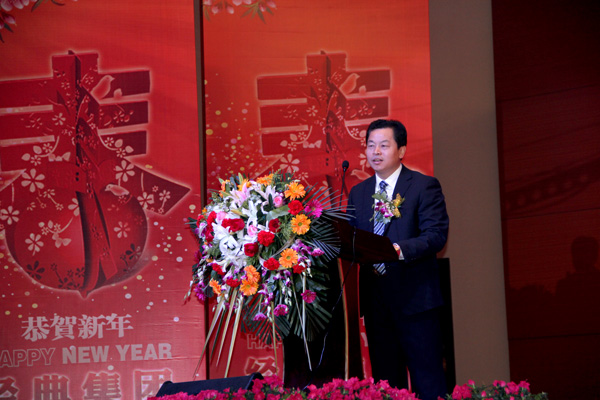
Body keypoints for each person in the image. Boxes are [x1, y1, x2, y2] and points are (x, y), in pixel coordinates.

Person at [347, 119, 449, 400]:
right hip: (377, 303)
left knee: (428, 383)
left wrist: (397, 250)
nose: (376, 152)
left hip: (416, 303)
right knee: (387, 387)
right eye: (370, 145)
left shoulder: (423, 186)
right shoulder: (359, 192)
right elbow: (352, 241)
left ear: (401, 150)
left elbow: (436, 235)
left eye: (384, 145)